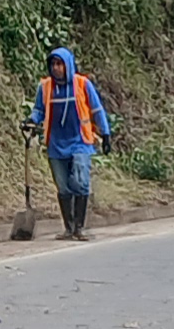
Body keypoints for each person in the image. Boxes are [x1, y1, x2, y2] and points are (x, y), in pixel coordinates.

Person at [29, 46, 115, 239]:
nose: (56, 68)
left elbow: (97, 110)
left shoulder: (82, 84)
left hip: (80, 142)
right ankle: (69, 228)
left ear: (68, 65)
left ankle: (79, 227)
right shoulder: (46, 87)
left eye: (59, 64)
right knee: (63, 186)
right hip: (56, 144)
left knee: (81, 182)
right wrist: (31, 120)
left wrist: (106, 134)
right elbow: (39, 110)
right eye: (53, 64)